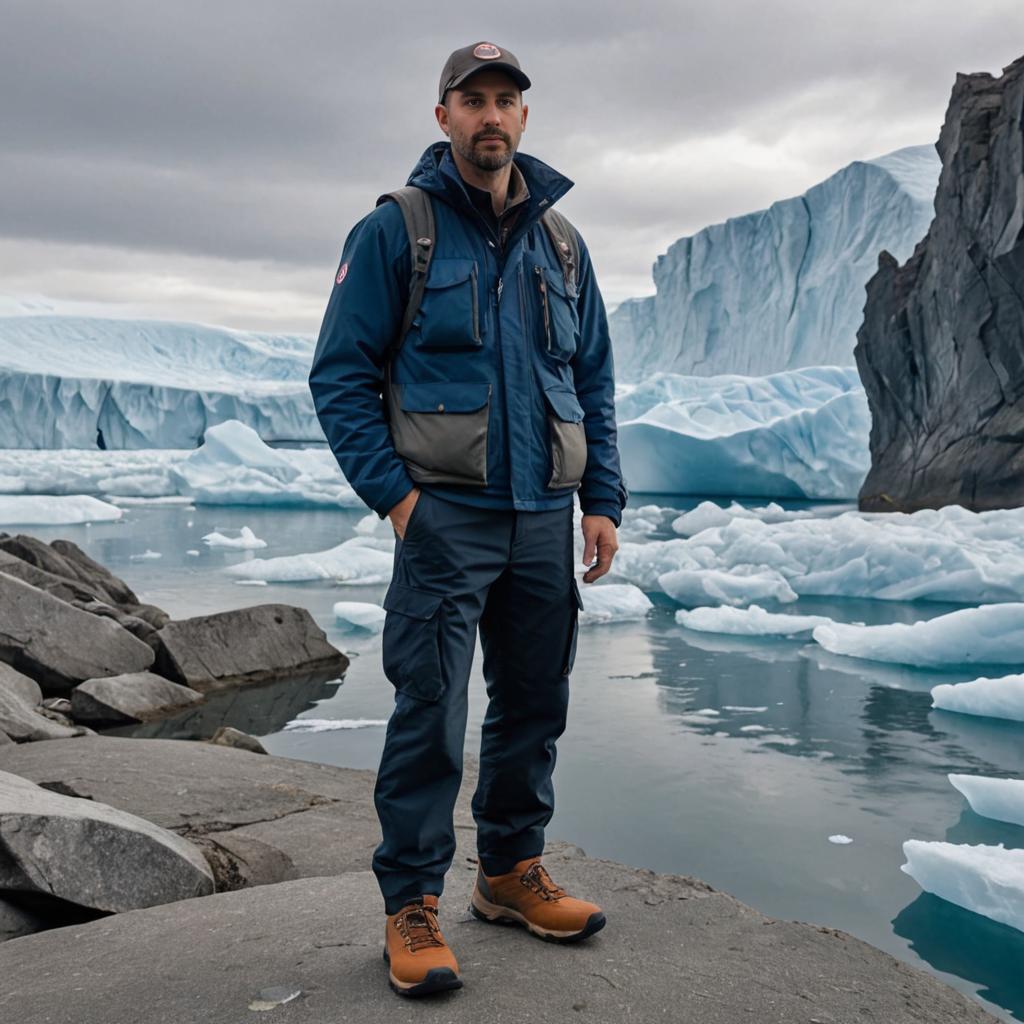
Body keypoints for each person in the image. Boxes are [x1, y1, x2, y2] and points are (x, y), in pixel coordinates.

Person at [308, 40, 627, 998]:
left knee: (535, 704)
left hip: (541, 518)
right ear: (442, 115)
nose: (492, 117)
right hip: (445, 518)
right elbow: (340, 378)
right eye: (473, 100)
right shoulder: (396, 231)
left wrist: (601, 498)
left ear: (525, 119)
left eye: (507, 101)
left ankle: (506, 874)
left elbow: (594, 379)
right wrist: (399, 502)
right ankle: (412, 905)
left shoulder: (563, 243)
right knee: (430, 715)